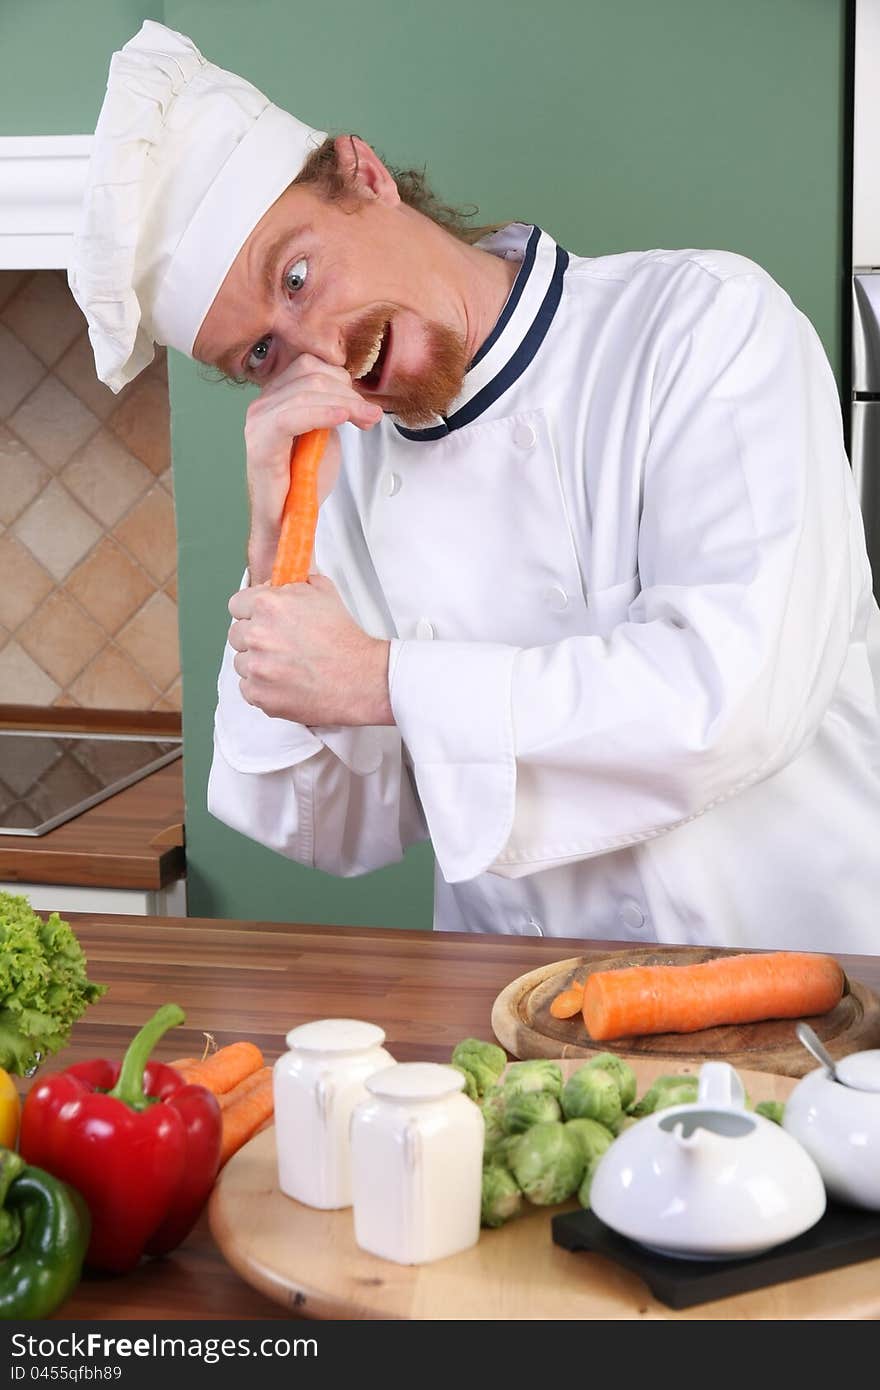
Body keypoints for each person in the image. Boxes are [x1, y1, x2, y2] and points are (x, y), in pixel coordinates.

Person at [72, 21, 880, 951]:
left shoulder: (704, 326)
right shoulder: (342, 470)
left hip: (811, 1003)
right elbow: (312, 824)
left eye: (297, 277)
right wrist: (272, 553)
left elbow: (730, 700)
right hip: (523, 1033)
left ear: (363, 176)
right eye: (262, 352)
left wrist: (385, 680)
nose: (320, 353)